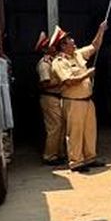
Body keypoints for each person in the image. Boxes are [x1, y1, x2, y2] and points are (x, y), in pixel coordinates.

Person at [50, 22, 107, 173]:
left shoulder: (77, 54)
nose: (73, 41)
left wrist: (101, 30)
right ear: (63, 45)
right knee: (75, 132)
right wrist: (87, 74)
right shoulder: (59, 62)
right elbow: (68, 81)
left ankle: (90, 157)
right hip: (73, 102)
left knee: (89, 131)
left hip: (87, 100)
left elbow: (94, 46)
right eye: (70, 40)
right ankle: (76, 161)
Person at [34, 31, 65, 165]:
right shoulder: (44, 63)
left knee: (61, 126)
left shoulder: (54, 60)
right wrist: (62, 80)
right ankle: (50, 156)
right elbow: (44, 84)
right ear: (45, 49)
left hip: (56, 97)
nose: (55, 47)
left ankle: (59, 153)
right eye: (51, 46)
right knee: (54, 127)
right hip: (50, 98)